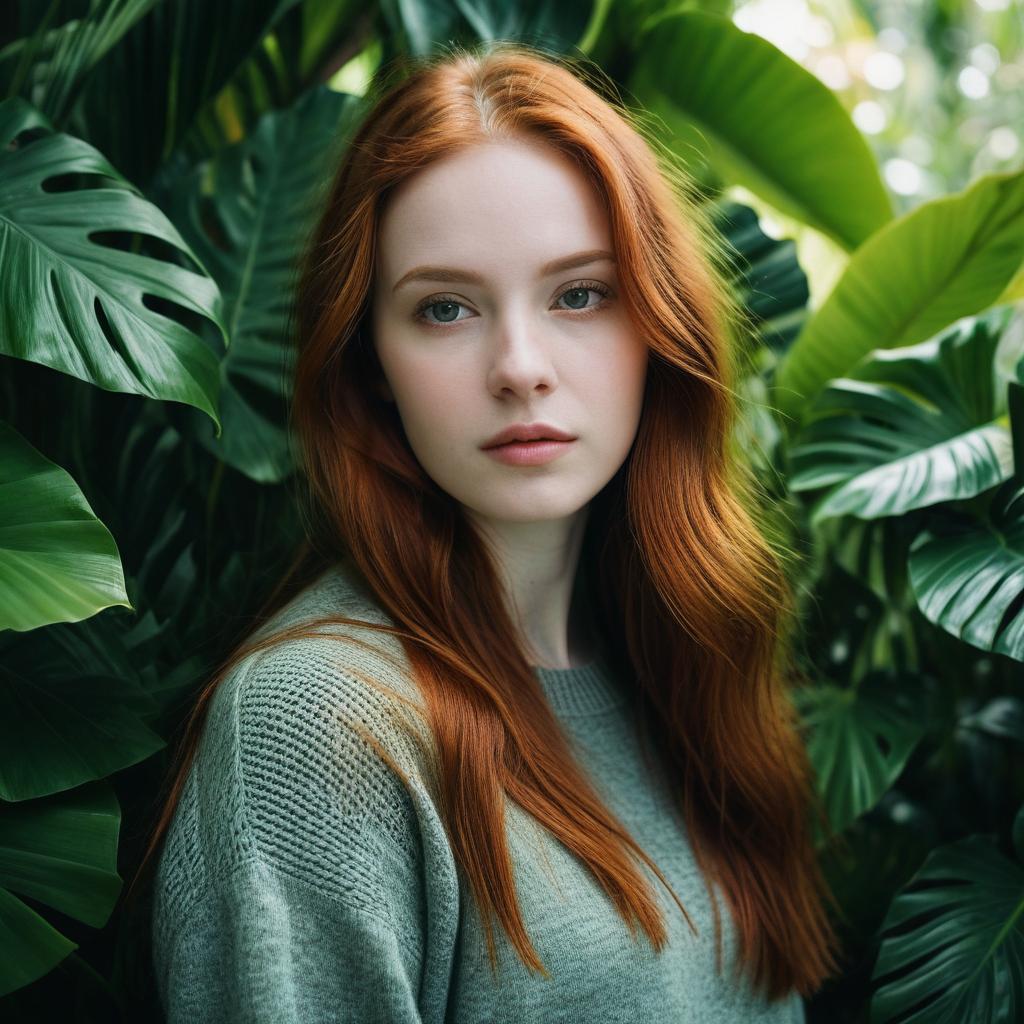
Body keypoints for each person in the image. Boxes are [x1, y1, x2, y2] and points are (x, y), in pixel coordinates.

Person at [136, 39, 840, 1023]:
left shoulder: (676, 667)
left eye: (579, 294)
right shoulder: (316, 728)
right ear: (369, 361)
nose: (519, 365)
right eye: (445, 308)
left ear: (658, 327)